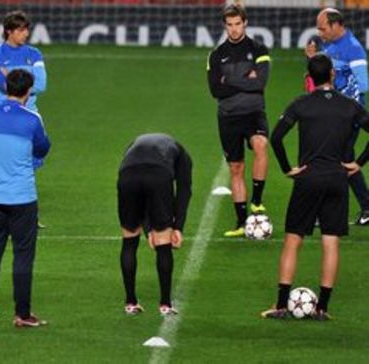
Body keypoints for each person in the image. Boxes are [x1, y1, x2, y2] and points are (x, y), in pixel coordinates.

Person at [262, 54, 369, 321]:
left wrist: (288, 168)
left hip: (308, 180)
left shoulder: (301, 104)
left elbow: (275, 138)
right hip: (337, 179)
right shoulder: (349, 106)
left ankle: (281, 305)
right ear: (332, 75)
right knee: (330, 242)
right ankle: (323, 308)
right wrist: (358, 163)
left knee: (292, 240)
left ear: (309, 77)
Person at [0, 69, 50, 327]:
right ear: (28, 91)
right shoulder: (33, 120)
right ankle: (22, 314)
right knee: (22, 255)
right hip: (22, 198)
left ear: (5, 87)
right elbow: (43, 147)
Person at [207, 4, 271, 237]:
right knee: (236, 167)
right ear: (225, 26)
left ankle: (256, 200)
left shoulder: (259, 49)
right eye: (229, 25)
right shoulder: (216, 55)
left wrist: (230, 82)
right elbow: (215, 89)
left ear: (245, 23)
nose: (234, 29)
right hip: (228, 118)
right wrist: (245, 80)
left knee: (261, 145)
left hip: (254, 113)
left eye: (238, 24)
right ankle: (242, 221)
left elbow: (260, 83)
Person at [305, 8, 369, 225]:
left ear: (336, 25)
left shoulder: (353, 49)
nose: (319, 33)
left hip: (348, 115)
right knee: (344, 159)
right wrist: (314, 60)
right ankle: (367, 207)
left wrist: (339, 101)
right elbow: (323, 77)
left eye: (323, 28)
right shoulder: (329, 45)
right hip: (334, 111)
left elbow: (363, 84)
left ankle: (325, 212)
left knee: (331, 159)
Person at [117, 133, 192, 316]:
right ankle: (165, 304)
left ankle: (130, 302)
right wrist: (177, 227)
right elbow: (183, 192)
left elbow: (140, 195)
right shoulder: (183, 156)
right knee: (163, 245)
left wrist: (147, 229)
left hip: (127, 177)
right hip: (158, 174)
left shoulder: (132, 145)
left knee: (129, 239)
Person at [0, 10, 48, 228]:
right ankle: (4, 217)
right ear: (9, 32)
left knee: (28, 168)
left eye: (27, 29)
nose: (26, 34)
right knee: (4, 166)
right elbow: (2, 85)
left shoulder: (34, 53)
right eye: (21, 30)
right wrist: (21, 82)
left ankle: (29, 217)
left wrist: (12, 78)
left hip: (29, 117)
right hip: (3, 117)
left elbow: (41, 85)